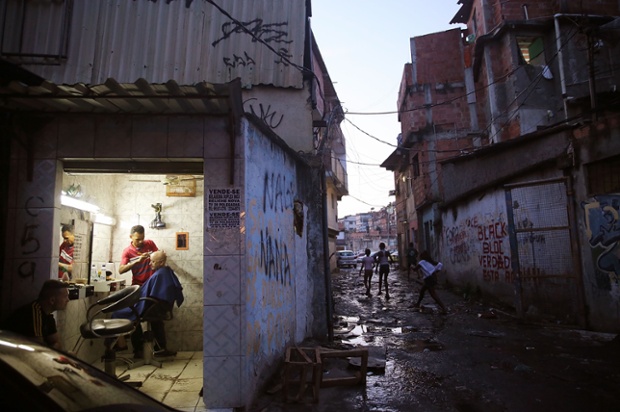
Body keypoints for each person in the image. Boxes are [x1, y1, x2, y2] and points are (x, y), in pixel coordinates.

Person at [113, 250, 183, 358]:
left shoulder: (160, 275)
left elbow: (150, 295)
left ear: (160, 262)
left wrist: (134, 299)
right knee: (148, 319)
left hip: (150, 306)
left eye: (152, 262)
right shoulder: (165, 272)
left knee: (119, 313)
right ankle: (158, 349)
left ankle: (128, 347)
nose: (150, 264)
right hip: (157, 307)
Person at [2, 280, 70, 350]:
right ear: (52, 300)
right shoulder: (34, 312)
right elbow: (38, 348)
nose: (68, 300)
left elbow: (57, 343)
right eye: (65, 297)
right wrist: (53, 347)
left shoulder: (48, 316)